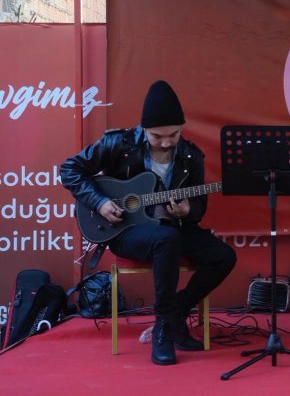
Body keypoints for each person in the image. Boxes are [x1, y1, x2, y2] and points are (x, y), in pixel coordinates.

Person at [61, 80, 236, 366]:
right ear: (144, 129)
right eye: (157, 136)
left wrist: (187, 210)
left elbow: (199, 208)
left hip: (173, 227)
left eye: (174, 135)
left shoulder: (191, 155)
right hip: (125, 229)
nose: (166, 143)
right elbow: (70, 170)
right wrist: (99, 202)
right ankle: (163, 328)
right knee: (166, 238)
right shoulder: (118, 143)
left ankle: (177, 312)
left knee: (223, 256)